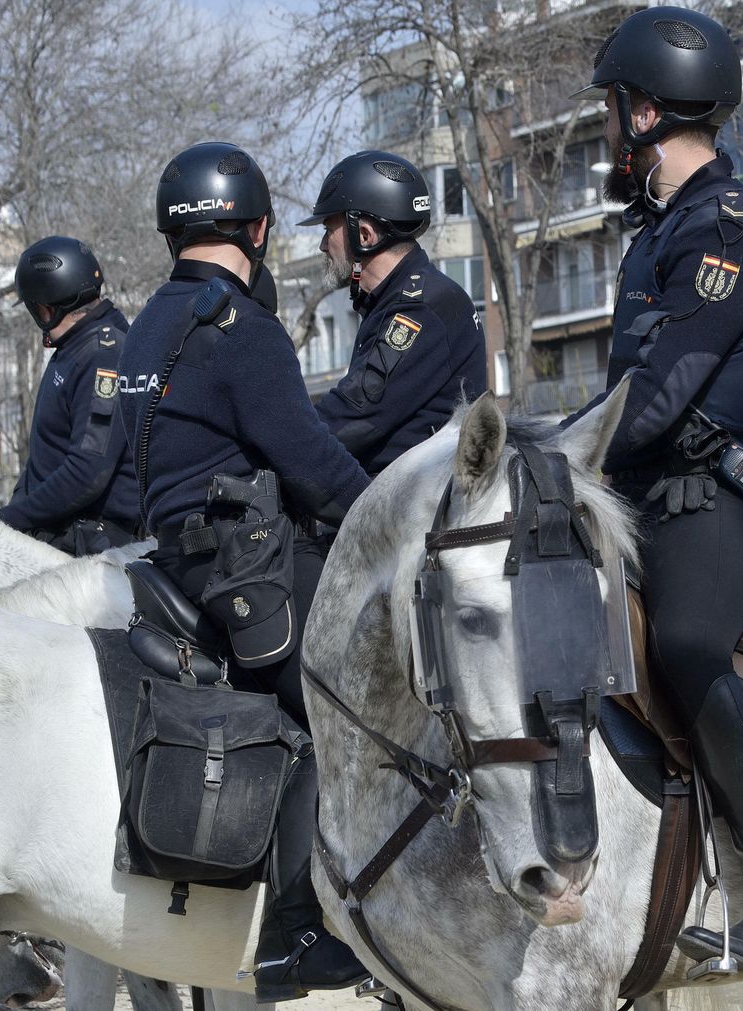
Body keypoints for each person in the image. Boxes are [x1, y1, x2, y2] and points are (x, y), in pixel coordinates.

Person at [567, 7, 743, 991]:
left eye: (613, 109)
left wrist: (566, 452)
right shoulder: (658, 233)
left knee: (683, 642)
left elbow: (664, 392)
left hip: (718, 495)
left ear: (644, 114)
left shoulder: (724, 234)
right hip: (644, 494)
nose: (607, 130)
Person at [115, 141, 370, 1001]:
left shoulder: (146, 325)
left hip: (174, 558)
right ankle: (298, 931)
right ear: (257, 230)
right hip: (242, 566)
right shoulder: (241, 330)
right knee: (342, 706)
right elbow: (313, 465)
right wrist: (386, 521)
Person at [303, 151, 487, 477]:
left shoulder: (420, 309)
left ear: (364, 235)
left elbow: (353, 416)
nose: (322, 245)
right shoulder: (396, 301)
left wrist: (282, 442)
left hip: (413, 502)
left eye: (328, 230)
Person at [0, 236, 136, 554]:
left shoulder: (103, 355)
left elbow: (87, 471)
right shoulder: (75, 346)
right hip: (57, 534)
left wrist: (9, 520)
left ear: (46, 309)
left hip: (87, 547)